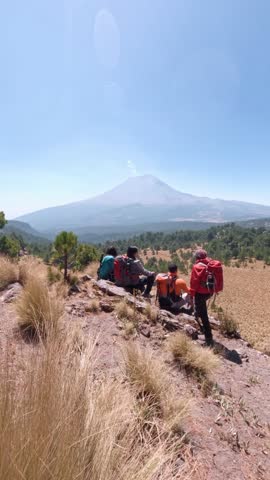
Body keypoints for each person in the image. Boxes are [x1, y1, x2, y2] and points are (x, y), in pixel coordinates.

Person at [190, 249, 214, 347]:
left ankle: (208, 336)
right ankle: (198, 320)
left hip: (201, 293)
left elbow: (194, 282)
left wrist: (192, 294)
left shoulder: (197, 267)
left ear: (197, 257)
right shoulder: (210, 264)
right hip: (209, 292)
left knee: (203, 314)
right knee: (200, 309)